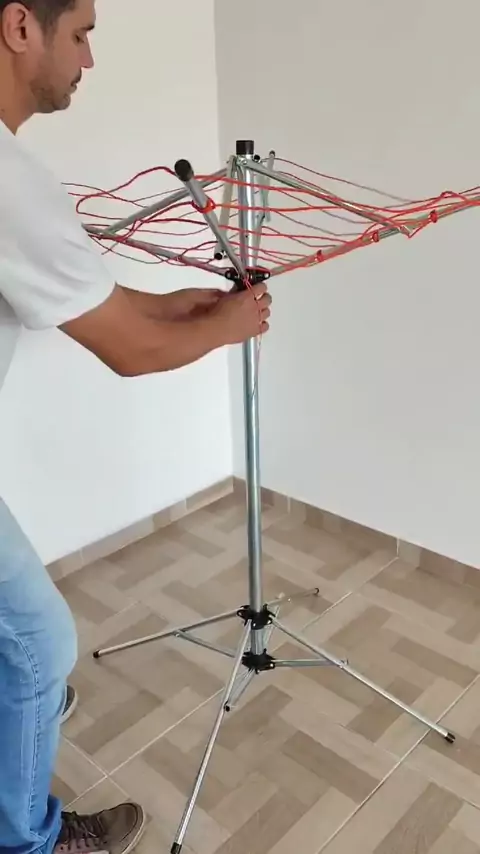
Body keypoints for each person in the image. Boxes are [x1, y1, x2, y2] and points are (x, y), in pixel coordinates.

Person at [0, 1, 272, 852]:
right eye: (80, 34)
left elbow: (98, 305)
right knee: (40, 639)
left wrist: (176, 306)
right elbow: (130, 352)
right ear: (20, 27)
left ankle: (19, 714)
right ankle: (27, 839)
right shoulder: (8, 179)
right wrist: (229, 326)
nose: (88, 60)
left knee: (21, 649)